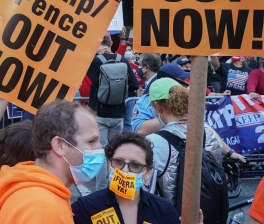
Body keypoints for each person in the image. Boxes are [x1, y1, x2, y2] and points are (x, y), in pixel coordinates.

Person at [0, 100, 103, 224]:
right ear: (59, 145)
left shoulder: (38, 193)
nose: (100, 149)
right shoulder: (42, 208)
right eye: (91, 141)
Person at [146, 79, 244, 209]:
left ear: (158, 107)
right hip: (206, 209)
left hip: (171, 213)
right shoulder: (206, 131)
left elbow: (148, 186)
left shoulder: (152, 141)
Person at [72, 132, 181, 224]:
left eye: (135, 165)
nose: (125, 170)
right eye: (118, 162)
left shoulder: (164, 210)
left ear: (148, 172)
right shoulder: (85, 208)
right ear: (110, 165)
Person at [86, 35, 139, 190]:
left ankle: (102, 189)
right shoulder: (122, 60)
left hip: (100, 114)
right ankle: (116, 186)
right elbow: (134, 84)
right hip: (119, 114)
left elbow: (92, 82)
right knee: (115, 151)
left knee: (101, 153)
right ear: (111, 43)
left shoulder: (95, 62)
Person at [132, 62, 188, 135]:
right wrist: (171, 115)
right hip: (155, 144)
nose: (186, 83)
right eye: (182, 80)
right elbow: (140, 130)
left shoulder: (188, 99)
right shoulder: (145, 101)